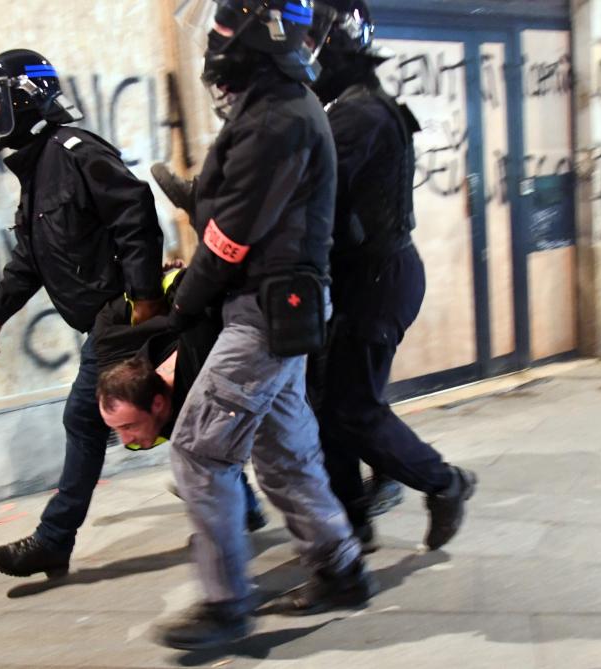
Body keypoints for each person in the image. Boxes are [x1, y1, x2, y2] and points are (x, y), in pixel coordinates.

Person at [157, 0, 372, 650]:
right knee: (282, 454)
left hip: (269, 310)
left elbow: (233, 232)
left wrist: (182, 304)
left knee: (198, 448)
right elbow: (244, 200)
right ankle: (340, 568)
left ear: (253, 33)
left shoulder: (280, 113)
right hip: (277, 305)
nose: (214, 38)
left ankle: (225, 604)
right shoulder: (273, 104)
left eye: (223, 24)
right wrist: (193, 194)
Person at [0, 49, 166, 578]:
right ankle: (242, 502)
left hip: (120, 315)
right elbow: (31, 256)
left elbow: (136, 210)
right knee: (178, 409)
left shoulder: (76, 151)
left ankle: (54, 540)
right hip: (105, 319)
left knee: (84, 417)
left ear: (22, 97)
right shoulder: (38, 168)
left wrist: (145, 295)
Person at [308, 1, 476, 551]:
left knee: (352, 409)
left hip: (376, 280)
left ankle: (445, 483)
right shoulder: (355, 107)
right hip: (369, 277)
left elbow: (314, 193)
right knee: (332, 409)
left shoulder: (356, 115)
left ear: (331, 48)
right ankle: (352, 525)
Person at [90, 268, 268, 532]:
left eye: (127, 427)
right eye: (118, 429)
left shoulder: (201, 354)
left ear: (157, 404)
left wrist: (172, 286)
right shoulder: (117, 359)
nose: (125, 441)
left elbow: (198, 283)